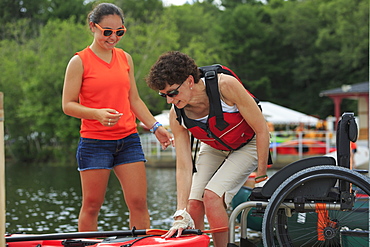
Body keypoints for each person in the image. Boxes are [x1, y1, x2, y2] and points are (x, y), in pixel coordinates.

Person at [62, 3, 173, 232]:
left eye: (119, 32)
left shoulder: (125, 58)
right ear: (93, 27)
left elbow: (134, 100)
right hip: (94, 143)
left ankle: (139, 244)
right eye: (107, 32)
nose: (113, 37)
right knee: (92, 206)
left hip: (128, 140)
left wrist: (155, 127)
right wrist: (97, 114)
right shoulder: (79, 61)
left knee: (139, 203)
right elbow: (67, 105)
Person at [146, 51, 271, 247]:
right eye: (164, 95)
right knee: (193, 204)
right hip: (214, 147)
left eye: (172, 93)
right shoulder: (176, 115)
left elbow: (262, 130)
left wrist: (261, 178)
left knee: (212, 197)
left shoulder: (225, 86)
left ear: (189, 81)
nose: (169, 100)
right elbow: (184, 166)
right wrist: (180, 212)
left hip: (249, 143)